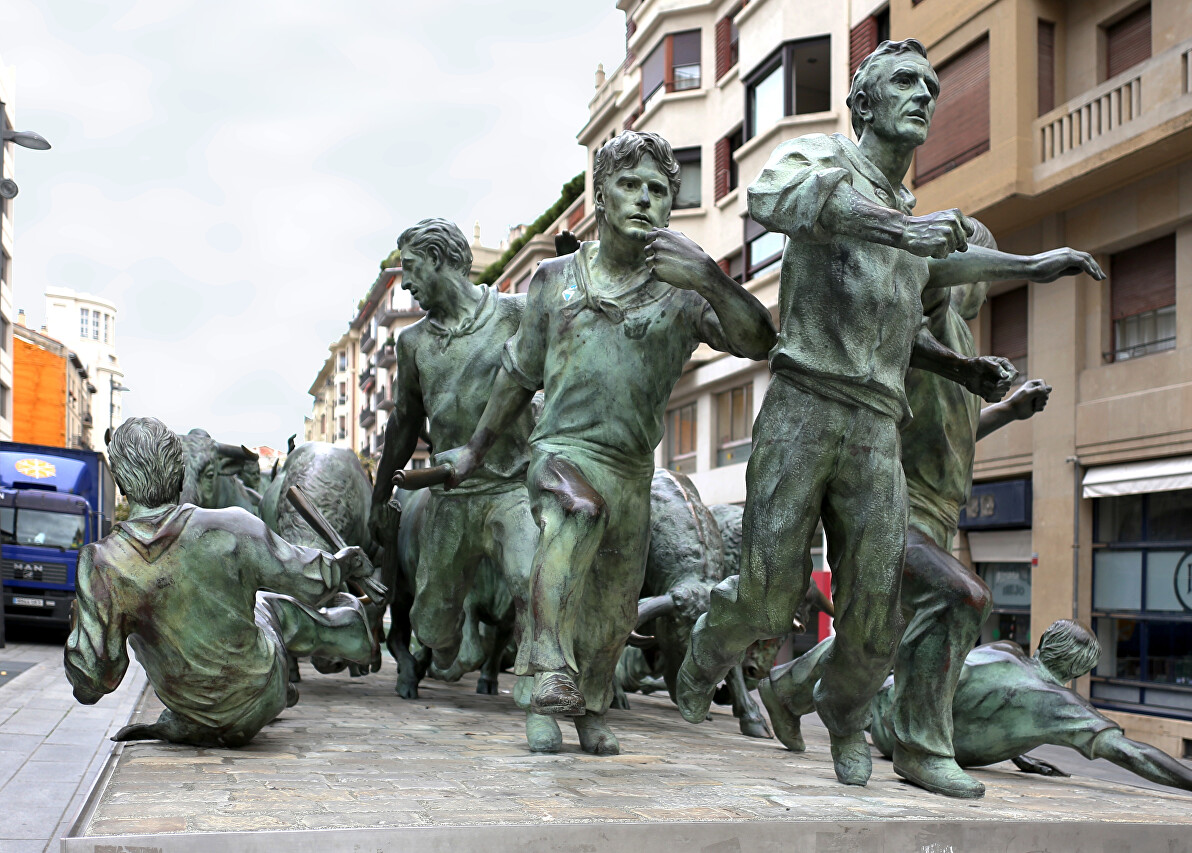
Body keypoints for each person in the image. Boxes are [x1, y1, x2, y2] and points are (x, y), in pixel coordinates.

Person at [678, 38, 1104, 790]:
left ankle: (850, 720)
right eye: (906, 83)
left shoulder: (912, 210)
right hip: (806, 402)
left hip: (876, 422)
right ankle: (708, 646)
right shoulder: (825, 161)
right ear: (865, 103)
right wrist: (900, 229)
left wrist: (1031, 268)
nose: (925, 97)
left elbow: (936, 274)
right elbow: (769, 201)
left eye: (933, 89)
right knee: (769, 592)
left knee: (876, 613)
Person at [444, 130, 776, 754]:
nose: (644, 200)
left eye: (658, 190)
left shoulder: (683, 292)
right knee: (577, 514)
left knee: (615, 607)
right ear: (600, 196)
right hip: (560, 452)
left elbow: (760, 341)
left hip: (632, 469)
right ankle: (544, 690)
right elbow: (518, 372)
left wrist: (710, 275)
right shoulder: (554, 279)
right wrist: (476, 449)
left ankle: (593, 707)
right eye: (629, 186)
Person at [761, 219, 1052, 798]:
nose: (982, 286)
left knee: (888, 633)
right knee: (962, 597)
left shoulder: (966, 345)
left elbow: (956, 435)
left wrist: (1010, 413)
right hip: (896, 503)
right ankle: (921, 747)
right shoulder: (921, 316)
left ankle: (788, 687)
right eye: (980, 269)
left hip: (941, 514)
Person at [65, 417, 376, 748]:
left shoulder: (102, 563)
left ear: (122, 484)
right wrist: (343, 563)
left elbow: (94, 683)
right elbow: (310, 582)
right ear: (181, 474)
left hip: (192, 709)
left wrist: (82, 629)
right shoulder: (234, 525)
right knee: (264, 603)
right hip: (264, 691)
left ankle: (209, 714)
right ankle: (340, 627)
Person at [368, 218, 552, 750]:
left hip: (512, 491)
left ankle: (541, 704)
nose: (405, 284)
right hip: (449, 499)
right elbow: (402, 426)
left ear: (443, 259)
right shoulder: (413, 344)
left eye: (410, 268)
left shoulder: (516, 314)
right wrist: (381, 500)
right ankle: (456, 647)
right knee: (434, 631)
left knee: (533, 586)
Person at [865, 622, 1192, 814]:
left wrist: (1018, 753)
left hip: (883, 712)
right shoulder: (1060, 704)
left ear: (1044, 642)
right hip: (907, 748)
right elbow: (1133, 754)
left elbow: (959, 690)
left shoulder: (1007, 649)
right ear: (1077, 672)